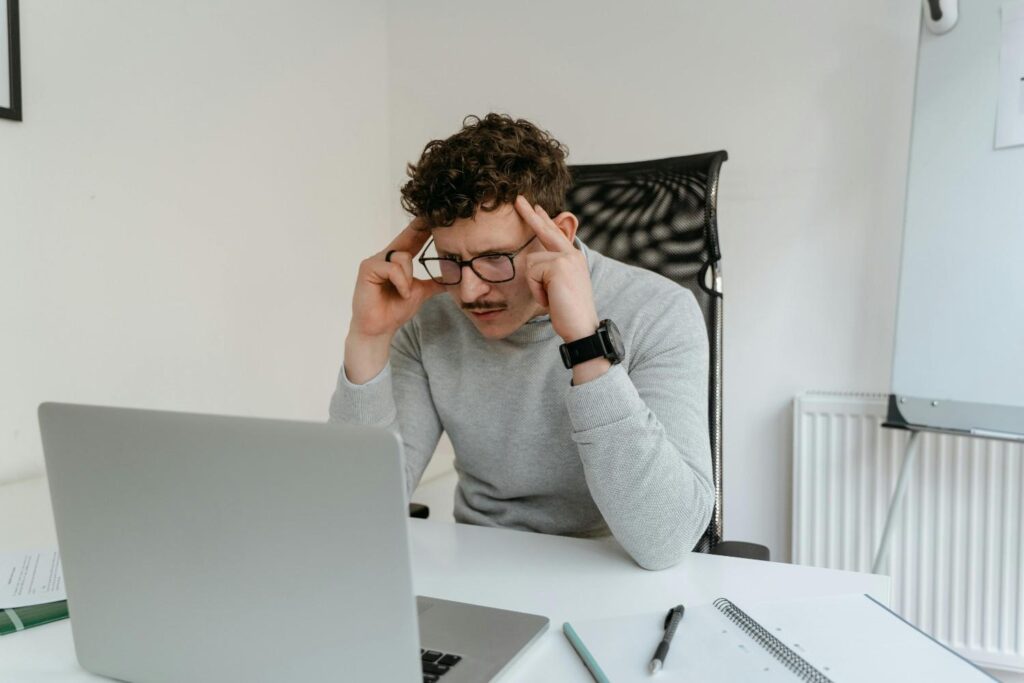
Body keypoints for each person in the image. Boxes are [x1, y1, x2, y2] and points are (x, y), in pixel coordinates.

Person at [329, 113, 713, 570]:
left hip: (612, 569)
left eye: (494, 259)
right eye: (451, 261)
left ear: (560, 236)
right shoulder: (429, 314)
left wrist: (586, 346)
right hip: (477, 567)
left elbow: (664, 541)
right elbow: (353, 518)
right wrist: (368, 339)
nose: (469, 292)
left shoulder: (659, 311)